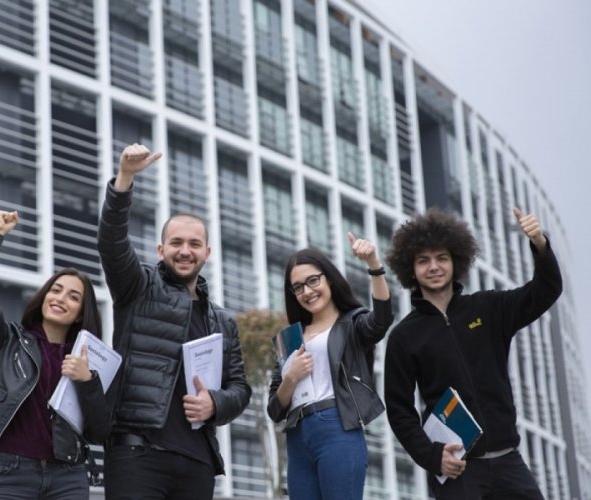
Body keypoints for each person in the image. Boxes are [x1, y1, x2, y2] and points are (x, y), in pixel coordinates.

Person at [97, 143, 252, 499]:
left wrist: (216, 403)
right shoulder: (138, 286)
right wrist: (124, 179)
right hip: (137, 455)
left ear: (207, 253)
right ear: (160, 250)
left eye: (195, 244)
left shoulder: (222, 321)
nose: (185, 250)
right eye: (176, 242)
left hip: (198, 463)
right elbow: (111, 243)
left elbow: (240, 389)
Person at [383, 207, 562, 499]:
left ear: (456, 261)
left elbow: (546, 290)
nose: (434, 267)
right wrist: (431, 455)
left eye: (442, 258)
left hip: (509, 462)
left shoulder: (489, 308)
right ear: (410, 269)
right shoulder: (404, 336)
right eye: (423, 260)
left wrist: (540, 245)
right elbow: (399, 410)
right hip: (458, 471)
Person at [0, 210, 111, 500]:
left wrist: (88, 380)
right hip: (14, 472)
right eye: (56, 290)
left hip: (69, 477)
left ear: (81, 314)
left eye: (73, 297)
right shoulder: (8, 341)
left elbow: (101, 432)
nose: (61, 299)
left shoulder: (90, 360)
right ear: (43, 297)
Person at [267, 238, 394, 500]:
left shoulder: (352, 323)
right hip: (297, 436)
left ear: (329, 279)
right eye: (298, 287)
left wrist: (373, 263)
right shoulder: (290, 339)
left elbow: (381, 321)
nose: (307, 291)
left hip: (338, 428)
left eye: (313, 280)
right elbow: (274, 409)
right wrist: (290, 378)